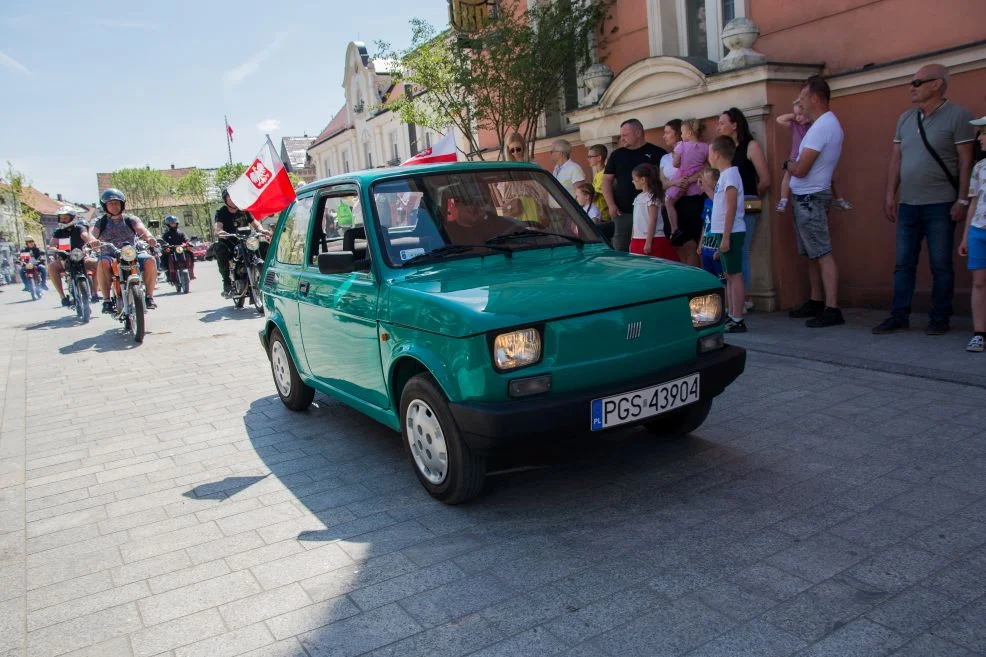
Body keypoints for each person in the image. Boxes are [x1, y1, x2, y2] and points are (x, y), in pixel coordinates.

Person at [873, 63, 975, 336]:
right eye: (911, 82)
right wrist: (889, 194)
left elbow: (966, 162)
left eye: (917, 83)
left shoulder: (959, 116)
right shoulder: (906, 118)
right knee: (903, 263)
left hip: (941, 203)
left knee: (941, 264)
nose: (911, 88)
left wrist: (962, 199)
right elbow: (896, 159)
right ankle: (899, 315)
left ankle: (940, 317)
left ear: (937, 84)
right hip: (908, 204)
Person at [782, 76, 845, 328]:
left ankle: (832, 307)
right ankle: (816, 299)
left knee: (822, 252)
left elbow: (801, 168)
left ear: (815, 98)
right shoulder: (821, 125)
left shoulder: (822, 127)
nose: (801, 103)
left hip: (811, 197)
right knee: (811, 252)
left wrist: (787, 164)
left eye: (804, 98)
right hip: (805, 196)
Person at [719, 108, 770, 311]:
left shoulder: (750, 146)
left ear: (735, 125)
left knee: (741, 251)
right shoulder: (725, 152)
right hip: (726, 206)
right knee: (731, 251)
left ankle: (744, 298)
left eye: (722, 123)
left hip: (746, 203)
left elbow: (765, 178)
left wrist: (751, 197)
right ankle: (736, 299)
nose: (719, 127)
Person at [89, 188, 159, 312]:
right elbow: (92, 233)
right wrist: (92, 240)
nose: (114, 206)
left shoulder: (130, 219)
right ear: (105, 206)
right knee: (102, 262)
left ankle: (149, 297)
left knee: (150, 259)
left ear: (122, 204)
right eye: (110, 203)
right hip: (110, 254)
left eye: (117, 203)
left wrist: (149, 237)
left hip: (131, 252)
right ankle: (106, 300)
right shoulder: (100, 222)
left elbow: (141, 229)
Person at [602, 119, 667, 252]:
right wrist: (611, 205)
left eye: (625, 135)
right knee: (622, 250)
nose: (622, 139)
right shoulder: (617, 155)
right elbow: (606, 180)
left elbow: (665, 182)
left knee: (651, 251)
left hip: (650, 213)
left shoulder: (658, 153)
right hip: (623, 213)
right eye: (621, 135)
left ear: (638, 133)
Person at [776, 100, 852, 213]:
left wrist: (806, 116)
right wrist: (794, 115)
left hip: (813, 157)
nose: (798, 118)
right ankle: (783, 200)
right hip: (795, 156)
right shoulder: (794, 125)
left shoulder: (815, 125)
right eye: (796, 115)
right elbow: (779, 119)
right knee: (787, 176)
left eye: (801, 115)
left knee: (834, 175)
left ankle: (839, 199)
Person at [708, 137, 747, 332]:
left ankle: (738, 318)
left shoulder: (731, 175)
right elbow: (720, 204)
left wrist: (726, 237)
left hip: (731, 231)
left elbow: (731, 207)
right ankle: (731, 314)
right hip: (723, 232)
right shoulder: (724, 175)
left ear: (716, 154)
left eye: (710, 152)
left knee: (735, 275)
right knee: (728, 275)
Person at [957, 116, 986, 352]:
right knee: (979, 283)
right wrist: (966, 236)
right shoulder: (979, 168)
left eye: (984, 133)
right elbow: (974, 203)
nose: (980, 138)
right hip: (978, 231)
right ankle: (979, 333)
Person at [214, 189, 270, 297]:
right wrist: (220, 232)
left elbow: (255, 223)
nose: (232, 200)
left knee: (264, 246)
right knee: (220, 249)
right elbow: (218, 226)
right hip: (230, 241)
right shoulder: (221, 212)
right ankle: (226, 282)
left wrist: (261, 230)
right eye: (230, 198)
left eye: (234, 197)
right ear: (226, 199)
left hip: (246, 241)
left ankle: (268, 277)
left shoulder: (243, 209)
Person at [665, 119, 710, 244]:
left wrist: (678, 161)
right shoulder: (706, 147)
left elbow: (675, 163)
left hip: (682, 176)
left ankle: (674, 229)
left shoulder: (681, 146)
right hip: (696, 182)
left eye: (682, 132)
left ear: (689, 133)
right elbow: (707, 165)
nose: (681, 135)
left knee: (669, 201)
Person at [47, 207, 97, 307]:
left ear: (72, 218)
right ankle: (63, 297)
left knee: (99, 263)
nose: (63, 220)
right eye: (61, 218)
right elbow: (53, 242)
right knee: (51, 267)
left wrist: (91, 241)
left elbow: (85, 235)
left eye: (65, 218)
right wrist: (52, 247)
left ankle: (95, 292)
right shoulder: (58, 231)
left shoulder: (79, 228)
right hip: (64, 259)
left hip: (81, 257)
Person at [628, 163, 677, 260]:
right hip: (638, 239)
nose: (633, 181)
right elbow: (636, 222)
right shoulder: (638, 198)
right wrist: (632, 240)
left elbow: (652, 220)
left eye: (635, 179)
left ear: (643, 180)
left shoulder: (651, 198)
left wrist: (648, 242)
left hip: (652, 239)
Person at [697, 167, 724, 283]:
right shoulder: (707, 201)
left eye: (707, 181)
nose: (704, 184)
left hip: (716, 248)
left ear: (716, 182)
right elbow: (705, 223)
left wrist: (720, 249)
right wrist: (700, 244)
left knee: (722, 280)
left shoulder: (721, 200)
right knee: (710, 280)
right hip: (706, 247)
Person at [160, 215, 196, 283]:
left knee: (190, 252)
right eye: (171, 223)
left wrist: (188, 243)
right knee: (163, 255)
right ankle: (167, 274)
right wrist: (164, 245)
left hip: (181, 249)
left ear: (177, 223)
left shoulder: (181, 233)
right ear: (168, 224)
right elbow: (163, 242)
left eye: (174, 223)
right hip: (171, 250)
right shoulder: (166, 234)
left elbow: (186, 240)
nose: (173, 224)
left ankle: (191, 272)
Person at [587, 144, 610, 226]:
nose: (588, 159)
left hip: (603, 216)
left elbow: (594, 196)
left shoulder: (603, 174)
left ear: (599, 158)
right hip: (598, 215)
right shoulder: (598, 173)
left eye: (590, 157)